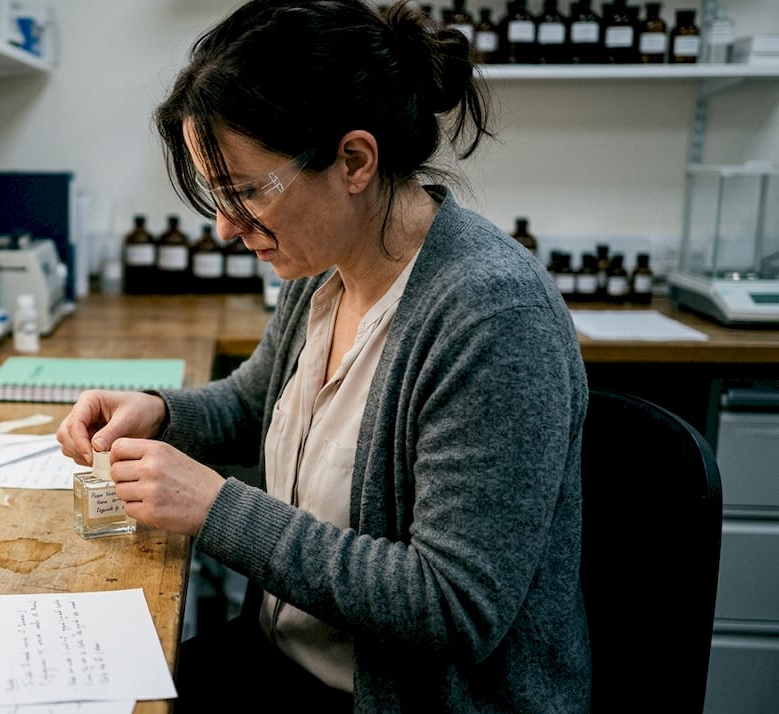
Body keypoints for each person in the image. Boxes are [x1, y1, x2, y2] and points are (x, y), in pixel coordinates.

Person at [56, 0, 591, 711]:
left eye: (246, 192)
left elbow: (453, 607)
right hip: (282, 659)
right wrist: (159, 413)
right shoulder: (325, 271)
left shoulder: (490, 314)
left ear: (354, 161)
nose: (224, 228)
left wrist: (217, 510)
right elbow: (255, 404)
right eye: (218, 197)